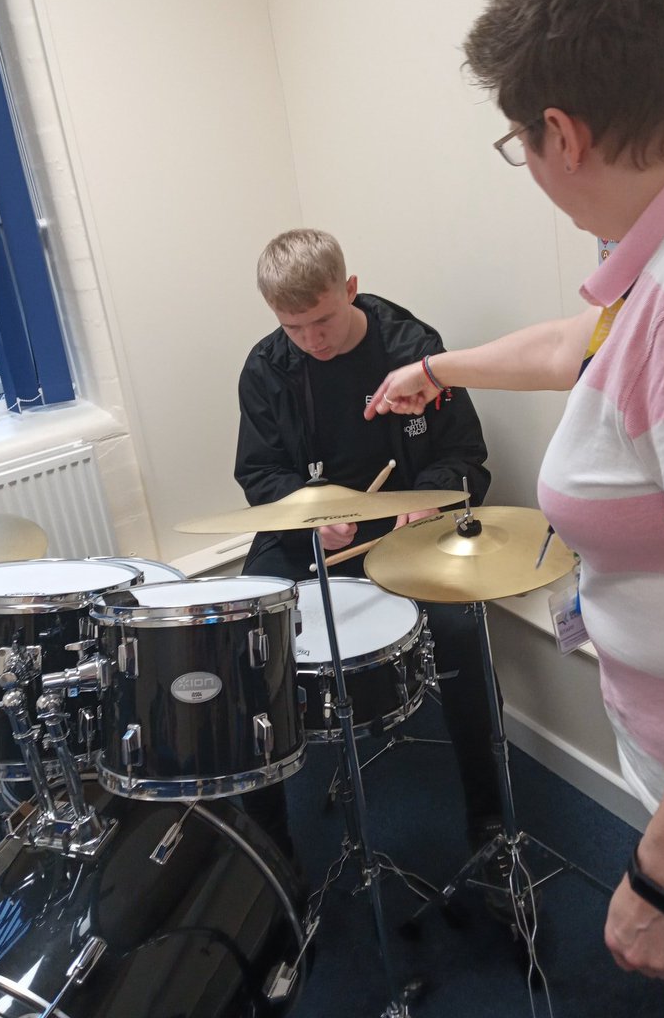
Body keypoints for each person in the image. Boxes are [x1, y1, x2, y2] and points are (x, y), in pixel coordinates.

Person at [365, 0, 664, 1018]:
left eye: (518, 146)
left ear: (560, 132)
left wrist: (661, 879)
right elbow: (581, 351)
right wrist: (435, 367)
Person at [235, 228, 512, 913]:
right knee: (244, 640)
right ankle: (268, 859)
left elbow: (466, 457)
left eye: (323, 319)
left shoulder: (413, 350)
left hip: (411, 535)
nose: (312, 340)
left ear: (350, 288)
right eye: (293, 326)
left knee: (460, 634)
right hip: (309, 537)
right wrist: (305, 510)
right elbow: (259, 474)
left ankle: (490, 829)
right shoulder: (268, 367)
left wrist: (426, 503)